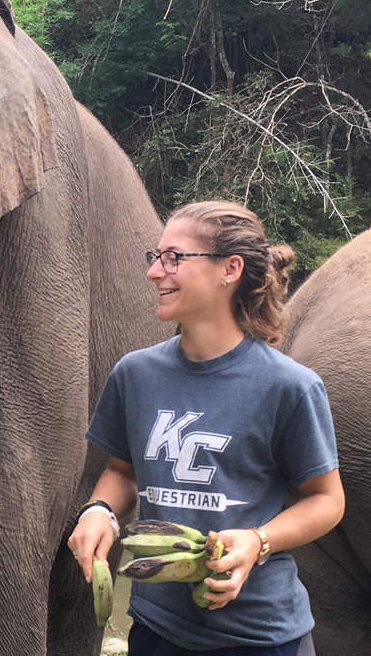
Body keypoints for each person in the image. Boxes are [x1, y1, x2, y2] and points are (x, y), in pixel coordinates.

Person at [69, 200, 345, 656]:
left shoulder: (289, 386)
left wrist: (258, 541)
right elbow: (123, 471)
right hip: (156, 628)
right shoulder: (134, 375)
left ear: (229, 269)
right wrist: (99, 510)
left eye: (174, 257)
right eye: (155, 257)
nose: (155, 272)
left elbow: (327, 500)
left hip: (260, 635)